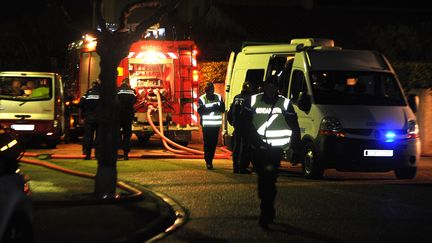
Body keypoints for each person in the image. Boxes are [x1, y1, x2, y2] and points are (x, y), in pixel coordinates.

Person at [240, 75, 300, 230]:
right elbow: (243, 124)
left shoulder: (285, 103)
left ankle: (266, 211)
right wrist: (253, 142)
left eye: (274, 86)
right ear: (264, 86)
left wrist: (296, 149)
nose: (271, 89)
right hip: (258, 149)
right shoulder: (253, 101)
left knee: (269, 180)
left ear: (277, 88)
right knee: (263, 180)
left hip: (275, 150)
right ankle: (266, 205)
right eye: (268, 86)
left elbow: (294, 126)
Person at [197, 82, 225, 170]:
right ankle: (208, 161)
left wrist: (208, 109)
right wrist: (214, 108)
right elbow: (201, 111)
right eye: (208, 91)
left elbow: (222, 109)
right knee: (207, 144)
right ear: (206, 91)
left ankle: (210, 160)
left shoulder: (219, 97)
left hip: (216, 126)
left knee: (213, 144)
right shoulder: (202, 99)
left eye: (211, 90)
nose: (210, 92)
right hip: (206, 126)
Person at [227, 81, 252, 174]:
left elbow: (231, 111)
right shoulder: (250, 98)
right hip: (246, 126)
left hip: (237, 125)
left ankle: (235, 167)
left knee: (236, 146)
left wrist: (232, 122)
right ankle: (243, 167)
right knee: (245, 147)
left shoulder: (236, 97)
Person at [79, 80, 101, 160]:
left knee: (88, 136)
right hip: (99, 118)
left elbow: (80, 104)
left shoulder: (87, 93)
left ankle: (88, 155)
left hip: (89, 118)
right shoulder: (102, 93)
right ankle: (97, 155)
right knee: (99, 137)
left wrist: (84, 113)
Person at [117, 78, 137, 160]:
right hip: (128, 116)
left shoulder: (117, 90)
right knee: (127, 135)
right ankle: (126, 155)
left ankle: (117, 153)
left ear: (122, 83)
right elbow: (135, 101)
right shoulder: (132, 91)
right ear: (128, 83)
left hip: (118, 115)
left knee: (117, 134)